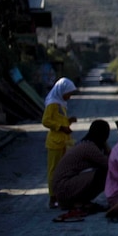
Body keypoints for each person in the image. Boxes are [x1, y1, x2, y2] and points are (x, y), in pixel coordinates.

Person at [51, 119, 110, 212]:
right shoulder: (89, 148)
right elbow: (110, 165)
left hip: (62, 188)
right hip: (63, 188)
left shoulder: (86, 144)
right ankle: (79, 202)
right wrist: (106, 145)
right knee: (104, 174)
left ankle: (79, 201)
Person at [42, 77, 78, 209]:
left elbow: (59, 120)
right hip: (55, 143)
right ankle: (53, 197)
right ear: (61, 91)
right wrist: (61, 127)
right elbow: (46, 121)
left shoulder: (60, 104)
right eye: (68, 93)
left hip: (63, 142)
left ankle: (62, 195)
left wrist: (68, 121)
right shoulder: (52, 104)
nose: (69, 96)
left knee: (63, 170)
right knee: (53, 171)